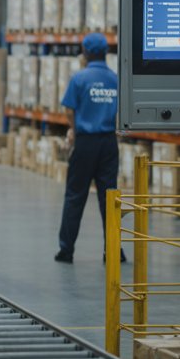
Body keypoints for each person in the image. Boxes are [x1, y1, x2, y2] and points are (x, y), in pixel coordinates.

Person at [55, 32, 123, 264]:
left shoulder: (80, 79)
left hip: (86, 143)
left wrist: (74, 131)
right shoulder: (116, 79)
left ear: (85, 52)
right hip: (108, 143)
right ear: (104, 52)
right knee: (109, 198)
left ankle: (66, 250)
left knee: (75, 195)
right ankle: (114, 250)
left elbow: (68, 109)